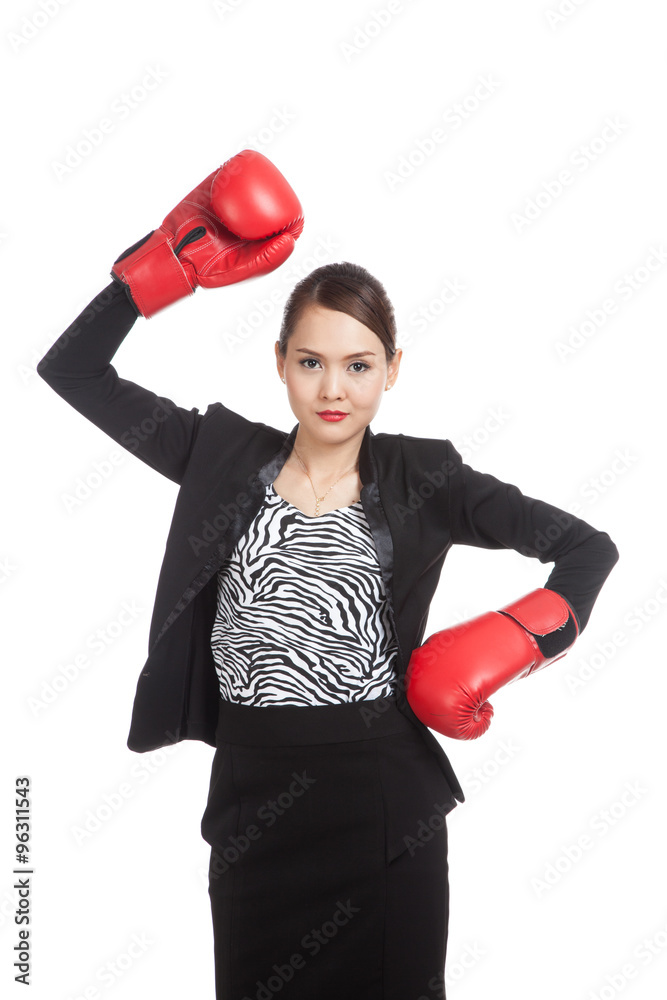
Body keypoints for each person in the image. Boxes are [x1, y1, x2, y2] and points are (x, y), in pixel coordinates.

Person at [36, 150, 619, 1000]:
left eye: (358, 365)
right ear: (279, 364)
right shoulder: (217, 455)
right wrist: (172, 260)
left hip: (381, 804)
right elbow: (72, 370)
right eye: (311, 362)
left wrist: (524, 635)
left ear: (391, 369)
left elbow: (587, 546)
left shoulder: (426, 476)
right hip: (251, 804)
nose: (333, 388)